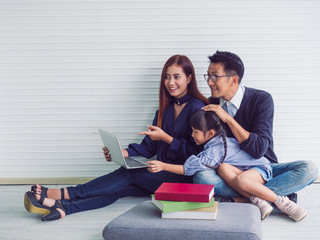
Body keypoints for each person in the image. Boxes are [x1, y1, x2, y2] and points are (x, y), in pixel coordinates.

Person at [24, 54, 209, 221]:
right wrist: (122, 153)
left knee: (129, 173)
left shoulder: (197, 108)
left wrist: (167, 138)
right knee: (118, 189)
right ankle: (64, 209)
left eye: (177, 77)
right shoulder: (164, 110)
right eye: (167, 77)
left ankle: (59, 193)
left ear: (189, 78)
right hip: (159, 175)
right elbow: (148, 147)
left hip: (182, 178)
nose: (170, 82)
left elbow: (196, 154)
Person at [193, 50, 318, 202]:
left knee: (309, 169)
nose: (209, 82)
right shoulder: (211, 104)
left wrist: (229, 120)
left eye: (214, 76)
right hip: (229, 170)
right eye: (208, 76)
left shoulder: (261, 99)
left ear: (233, 80)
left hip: (263, 168)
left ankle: (240, 199)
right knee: (201, 177)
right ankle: (271, 198)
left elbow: (258, 149)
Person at [148, 110, 307, 221]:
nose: (192, 135)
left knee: (242, 180)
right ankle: (254, 198)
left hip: (260, 170)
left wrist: (163, 166)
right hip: (243, 171)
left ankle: (282, 202)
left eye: (195, 132)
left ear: (209, 133)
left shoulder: (215, 150)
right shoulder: (218, 142)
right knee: (223, 167)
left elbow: (187, 168)